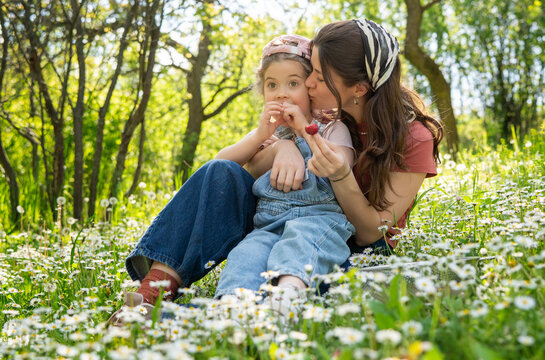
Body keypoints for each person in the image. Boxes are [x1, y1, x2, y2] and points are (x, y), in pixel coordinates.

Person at [108, 18, 442, 324]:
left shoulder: (412, 137)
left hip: (341, 244)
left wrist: (336, 172)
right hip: (274, 224)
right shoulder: (325, 115)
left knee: (272, 298)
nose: (308, 84)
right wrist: (285, 144)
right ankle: (156, 287)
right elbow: (250, 173)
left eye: (319, 77)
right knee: (219, 173)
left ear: (359, 88)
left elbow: (373, 233)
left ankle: (168, 322)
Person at [213, 34, 356, 302]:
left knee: (299, 248)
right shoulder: (266, 134)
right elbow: (218, 167)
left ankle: (287, 300)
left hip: (318, 220)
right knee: (245, 255)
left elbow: (342, 165)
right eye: (272, 84)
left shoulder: (332, 127)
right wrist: (258, 137)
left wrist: (303, 129)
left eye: (293, 83)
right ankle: (233, 306)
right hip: (268, 225)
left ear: (311, 87)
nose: (281, 92)